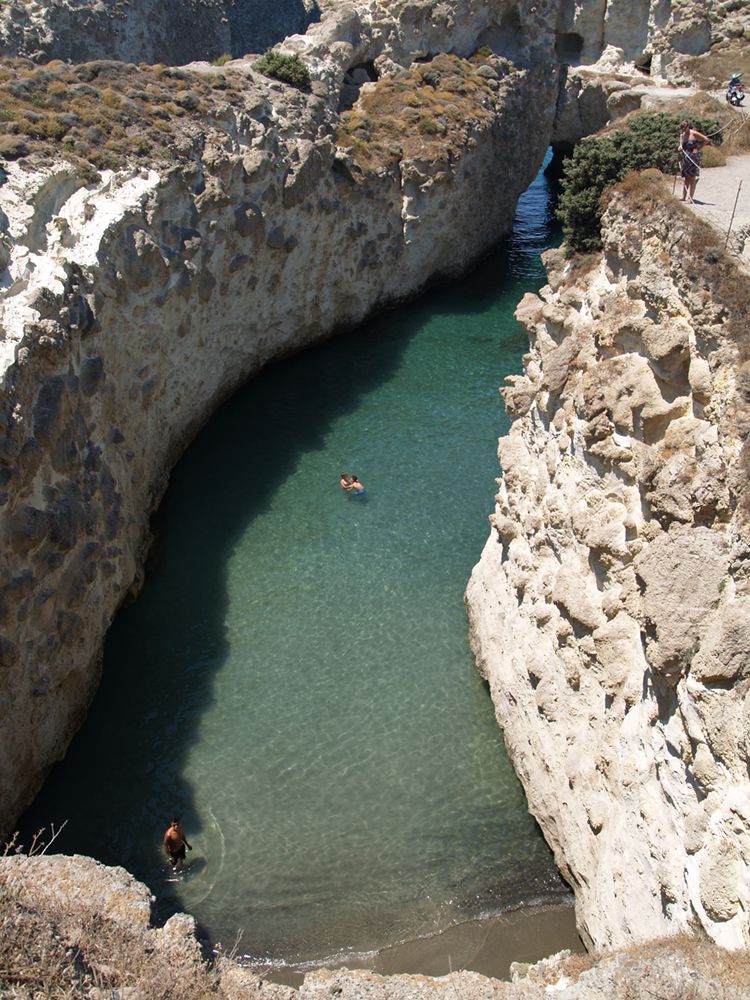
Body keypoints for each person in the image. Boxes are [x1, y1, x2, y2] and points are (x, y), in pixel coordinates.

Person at [678, 121, 711, 204]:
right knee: (686, 177)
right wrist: (680, 146)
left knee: (692, 178)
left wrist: (699, 149)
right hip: (685, 158)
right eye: (683, 129)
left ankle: (690, 198)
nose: (684, 131)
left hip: (693, 157)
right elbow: (681, 144)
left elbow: (706, 139)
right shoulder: (682, 135)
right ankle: (683, 196)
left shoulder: (694, 133)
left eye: (685, 129)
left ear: (688, 127)